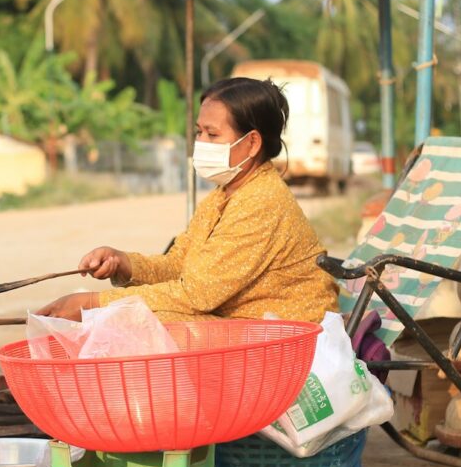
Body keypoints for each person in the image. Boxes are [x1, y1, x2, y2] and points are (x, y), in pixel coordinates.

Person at [37, 76, 340, 323]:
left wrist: (93, 303)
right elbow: (180, 264)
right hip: (249, 325)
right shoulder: (223, 197)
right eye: (198, 132)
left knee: (145, 320)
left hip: (290, 336)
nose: (201, 143)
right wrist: (124, 263)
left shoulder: (263, 201)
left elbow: (196, 294)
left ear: (251, 143)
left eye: (212, 134)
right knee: (138, 316)